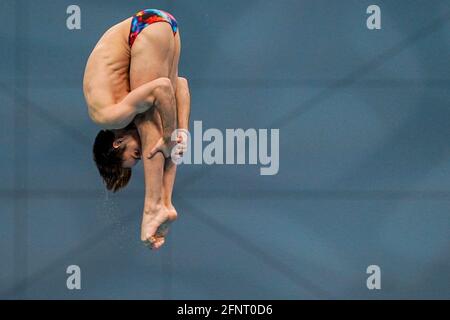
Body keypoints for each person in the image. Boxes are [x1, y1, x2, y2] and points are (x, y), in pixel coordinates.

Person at [83, 9, 191, 250]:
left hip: (143, 29)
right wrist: (182, 132)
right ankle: (165, 203)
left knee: (149, 122)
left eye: (135, 154)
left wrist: (167, 137)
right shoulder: (120, 110)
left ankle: (153, 207)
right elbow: (179, 86)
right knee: (162, 120)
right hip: (163, 25)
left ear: (117, 143)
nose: (141, 152)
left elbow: (162, 88)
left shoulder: (108, 116)